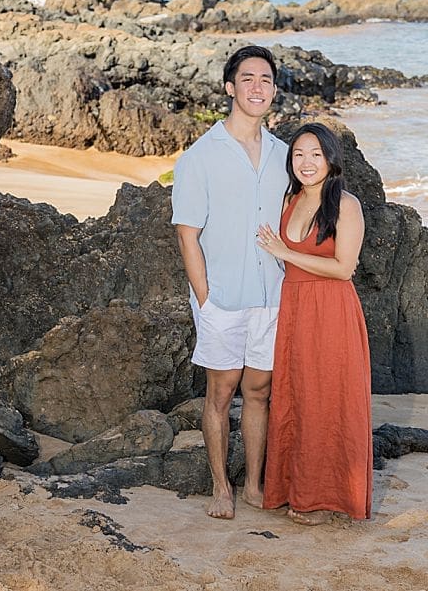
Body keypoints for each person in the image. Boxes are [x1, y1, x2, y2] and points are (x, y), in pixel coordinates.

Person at [170, 44, 289, 520]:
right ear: (229, 88)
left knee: (259, 392)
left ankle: (255, 486)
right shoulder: (201, 156)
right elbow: (187, 235)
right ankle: (221, 488)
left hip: (272, 296)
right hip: (221, 298)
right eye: (247, 79)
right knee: (220, 394)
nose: (257, 87)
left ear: (274, 90)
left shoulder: (284, 155)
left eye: (265, 80)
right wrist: (206, 299)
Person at [257, 122, 373, 525]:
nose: (307, 162)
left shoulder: (346, 205)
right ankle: (297, 490)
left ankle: (326, 499)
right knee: (297, 398)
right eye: (299, 154)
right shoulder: (289, 198)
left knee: (329, 400)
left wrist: (284, 253)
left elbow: (344, 268)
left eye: (316, 154)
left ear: (331, 159)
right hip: (295, 306)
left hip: (332, 309)